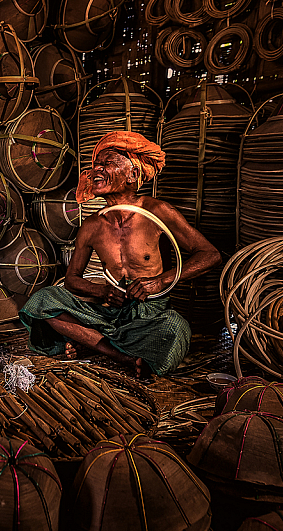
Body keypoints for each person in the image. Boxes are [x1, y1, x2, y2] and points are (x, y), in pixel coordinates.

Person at [19, 131, 221, 378]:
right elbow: (72, 280)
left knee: (175, 327)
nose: (96, 171)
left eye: (108, 164)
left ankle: (92, 343)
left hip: (149, 313)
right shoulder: (92, 226)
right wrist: (103, 292)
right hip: (110, 310)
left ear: (132, 175)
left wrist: (159, 281)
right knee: (43, 300)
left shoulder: (156, 211)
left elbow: (210, 255)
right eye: (95, 165)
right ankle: (121, 356)